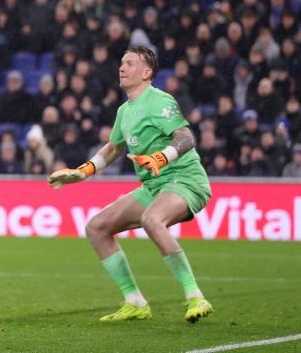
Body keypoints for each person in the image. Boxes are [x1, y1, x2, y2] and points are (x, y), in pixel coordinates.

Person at [48, 46, 213, 323]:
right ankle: (135, 301)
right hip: (153, 186)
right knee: (97, 227)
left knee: (152, 219)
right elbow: (114, 147)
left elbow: (186, 138)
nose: (122, 68)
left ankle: (195, 296)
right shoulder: (125, 110)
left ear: (147, 73)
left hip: (183, 178)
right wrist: (83, 171)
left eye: (130, 63)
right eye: (122, 63)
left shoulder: (159, 100)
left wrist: (161, 157)